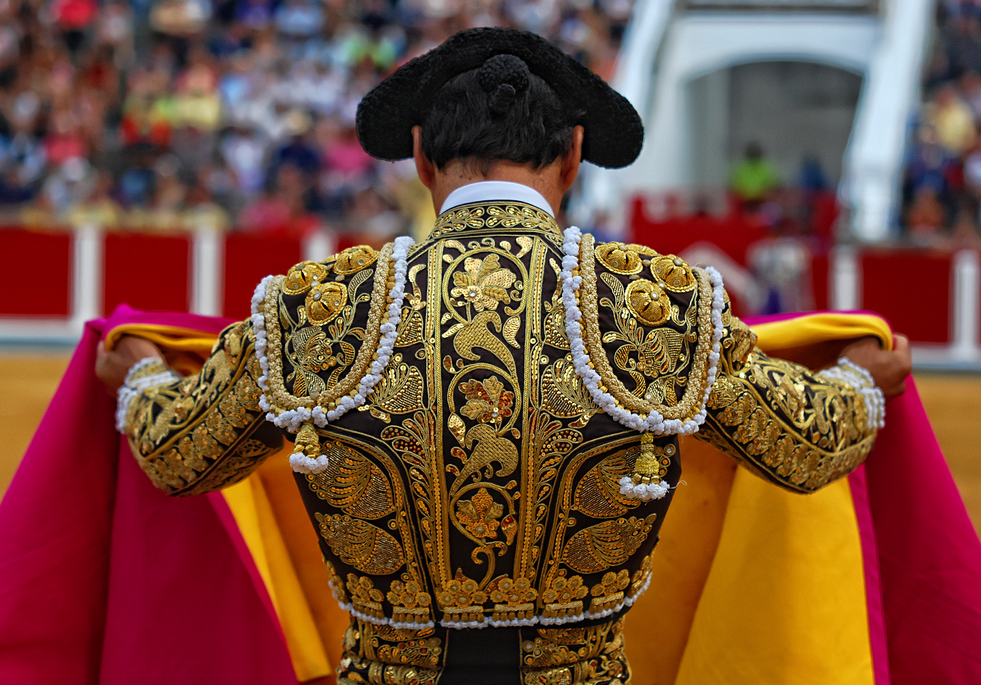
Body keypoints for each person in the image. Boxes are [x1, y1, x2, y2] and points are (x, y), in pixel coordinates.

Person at [96, 27, 911, 684]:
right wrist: (858, 379)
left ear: (420, 157)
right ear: (572, 156)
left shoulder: (320, 308)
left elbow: (175, 450)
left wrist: (136, 373)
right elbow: (807, 441)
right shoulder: (652, 306)